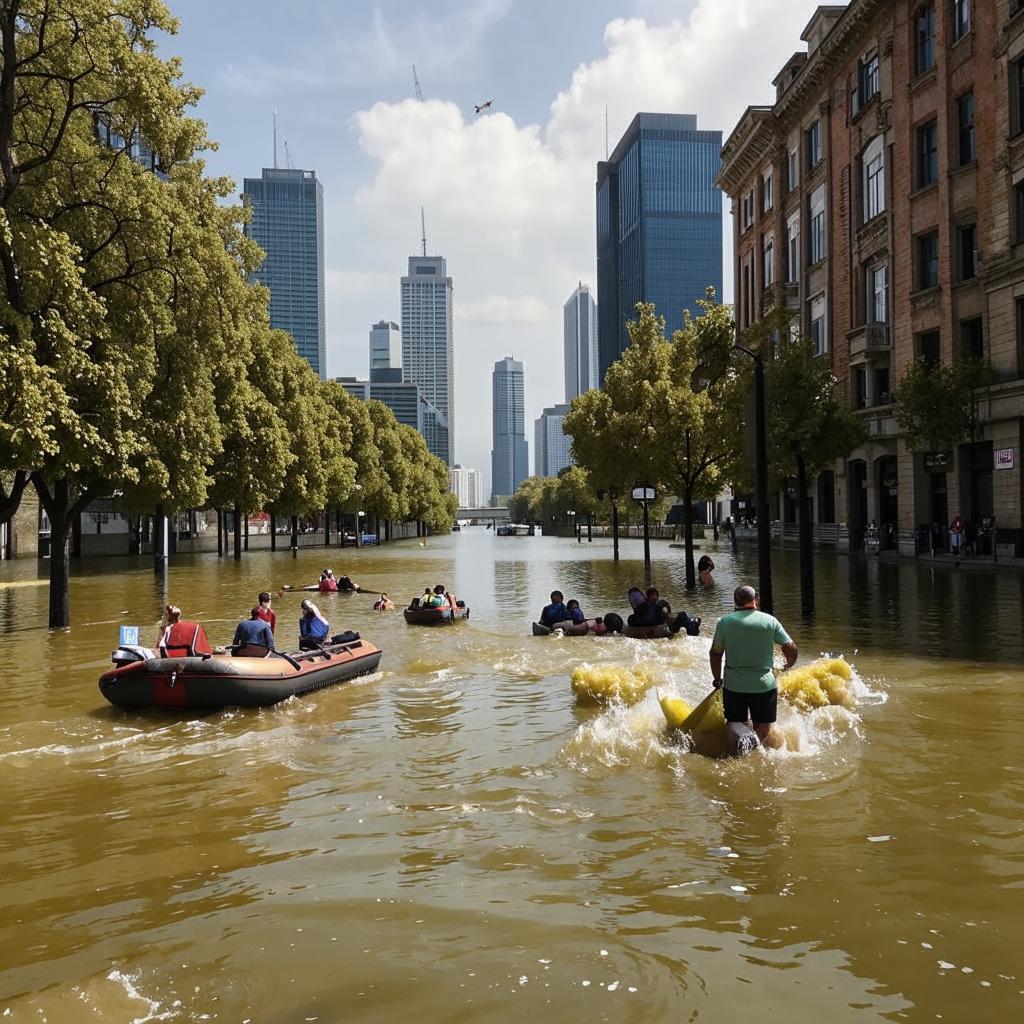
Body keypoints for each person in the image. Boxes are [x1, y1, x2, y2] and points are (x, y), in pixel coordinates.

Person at [709, 585, 798, 749]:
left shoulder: (725, 622)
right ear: (755, 600)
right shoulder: (770, 621)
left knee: (735, 724)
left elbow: (715, 653)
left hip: (734, 685)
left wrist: (717, 679)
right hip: (764, 685)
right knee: (763, 728)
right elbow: (790, 647)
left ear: (735, 602)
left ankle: (739, 749)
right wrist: (788, 665)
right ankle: (755, 746)